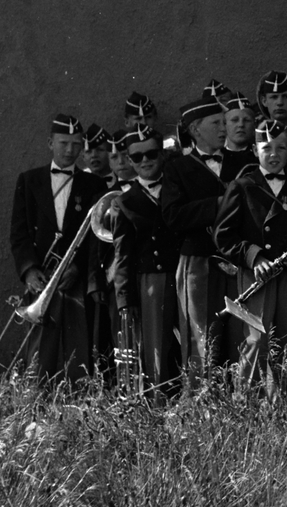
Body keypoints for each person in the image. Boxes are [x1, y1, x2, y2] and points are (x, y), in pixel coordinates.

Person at [9, 114, 108, 380]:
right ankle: (37, 400)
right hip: (41, 278)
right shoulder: (29, 181)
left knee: (79, 346)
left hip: (75, 277)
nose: (70, 150)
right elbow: (18, 234)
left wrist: (77, 266)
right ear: (50, 143)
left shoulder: (94, 184)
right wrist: (29, 271)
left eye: (77, 144)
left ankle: (78, 401)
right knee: (41, 349)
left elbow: (96, 234)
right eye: (63, 143)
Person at [214, 119, 287, 382]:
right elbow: (223, 235)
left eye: (281, 148)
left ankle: (282, 403)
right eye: (266, 148)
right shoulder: (243, 186)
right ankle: (248, 403)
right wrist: (254, 256)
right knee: (256, 339)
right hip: (257, 275)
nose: (274, 154)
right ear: (255, 151)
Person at [162, 96, 233, 374]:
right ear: (195, 130)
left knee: (238, 333)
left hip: (236, 261)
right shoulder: (177, 168)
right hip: (199, 263)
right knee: (200, 335)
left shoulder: (239, 162)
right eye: (216, 123)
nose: (223, 128)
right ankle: (202, 401)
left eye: (224, 122)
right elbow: (173, 216)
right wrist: (217, 205)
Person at [111, 123, 180, 392]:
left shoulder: (177, 189)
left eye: (151, 154)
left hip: (183, 273)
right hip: (151, 282)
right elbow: (122, 256)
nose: (145, 161)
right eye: (137, 157)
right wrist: (125, 300)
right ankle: (160, 400)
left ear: (162, 154)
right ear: (129, 160)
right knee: (156, 347)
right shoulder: (124, 203)